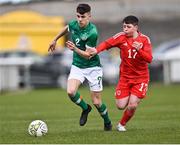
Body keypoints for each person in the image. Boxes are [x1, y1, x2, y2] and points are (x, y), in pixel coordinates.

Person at [66, 15, 153, 132]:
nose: (125, 29)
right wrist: (96, 50)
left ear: (136, 27)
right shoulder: (121, 37)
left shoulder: (144, 40)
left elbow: (149, 58)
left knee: (132, 104)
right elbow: (107, 44)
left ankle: (121, 124)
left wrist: (139, 50)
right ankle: (131, 100)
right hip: (125, 77)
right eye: (124, 26)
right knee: (120, 105)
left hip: (141, 78)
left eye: (128, 27)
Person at [48, 3, 112, 131]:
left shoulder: (92, 32)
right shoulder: (74, 24)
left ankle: (107, 122)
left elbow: (88, 55)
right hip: (77, 66)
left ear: (89, 16)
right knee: (71, 92)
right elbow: (67, 28)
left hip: (93, 67)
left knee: (97, 102)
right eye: (78, 16)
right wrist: (54, 39)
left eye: (83, 17)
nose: (80, 19)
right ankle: (85, 108)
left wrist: (74, 49)